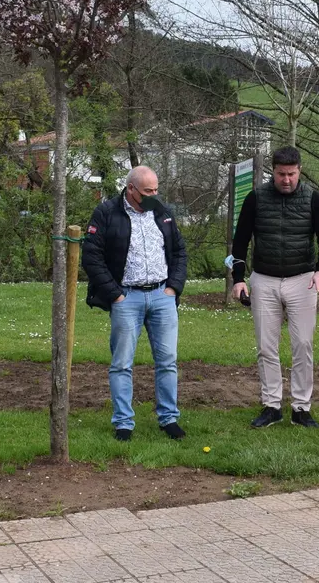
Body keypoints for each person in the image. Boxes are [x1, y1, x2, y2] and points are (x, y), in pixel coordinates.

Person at [231, 146, 319, 428]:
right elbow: (240, 240)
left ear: (299, 170)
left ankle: (301, 407)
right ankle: (271, 405)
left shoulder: (314, 199)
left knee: (303, 344)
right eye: (280, 174)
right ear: (272, 172)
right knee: (266, 346)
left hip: (302, 279)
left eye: (291, 174)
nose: (286, 179)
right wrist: (238, 279)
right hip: (264, 279)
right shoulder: (256, 198)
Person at [82, 166, 188, 442]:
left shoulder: (161, 211)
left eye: (156, 190)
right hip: (126, 297)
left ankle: (169, 419)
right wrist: (116, 295)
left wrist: (173, 288)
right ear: (131, 189)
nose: (154, 195)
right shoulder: (106, 213)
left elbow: (179, 251)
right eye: (147, 191)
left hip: (162, 296)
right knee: (121, 363)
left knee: (167, 361)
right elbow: (91, 257)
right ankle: (123, 424)